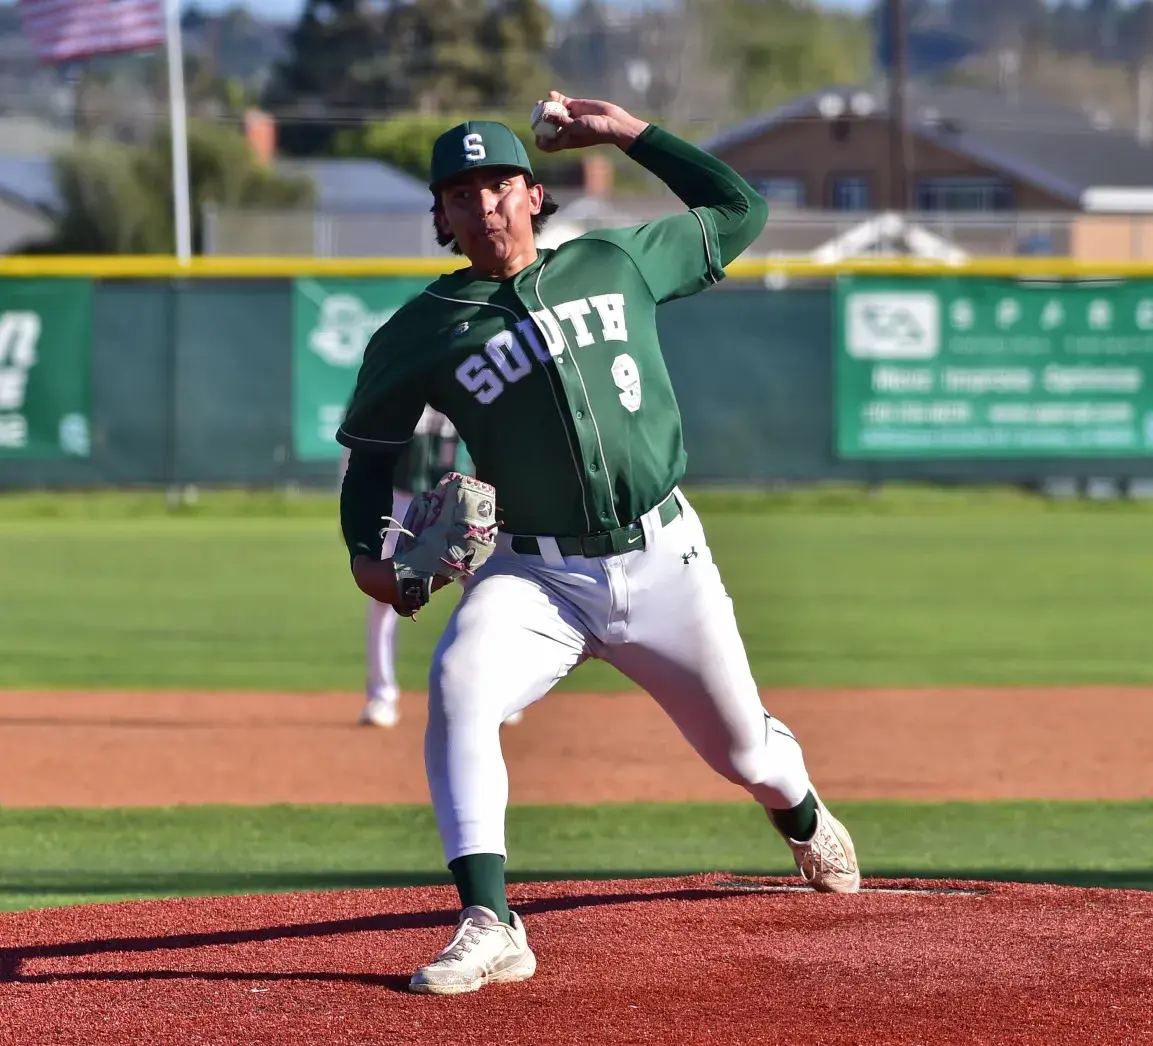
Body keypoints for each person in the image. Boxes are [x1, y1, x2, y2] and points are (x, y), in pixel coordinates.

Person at [337, 91, 860, 996]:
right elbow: (368, 462)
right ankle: (489, 921)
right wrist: (364, 556)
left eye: (501, 184)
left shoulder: (614, 258)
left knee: (746, 754)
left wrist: (627, 135)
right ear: (441, 216)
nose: (485, 205)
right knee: (460, 680)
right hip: (533, 574)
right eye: (462, 194)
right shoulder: (419, 332)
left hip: (664, 560)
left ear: (534, 195)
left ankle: (801, 811)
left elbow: (742, 211)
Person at [340, 408, 523, 729]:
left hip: (455, 504)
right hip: (397, 504)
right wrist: (353, 513)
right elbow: (355, 446)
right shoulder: (395, 378)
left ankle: (502, 693)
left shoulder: (456, 380)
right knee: (384, 596)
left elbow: (491, 442)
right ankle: (382, 696)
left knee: (485, 592)